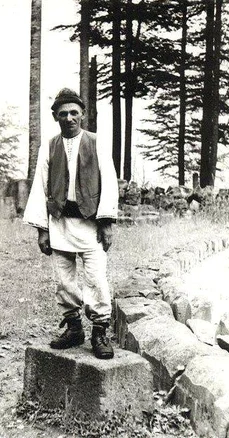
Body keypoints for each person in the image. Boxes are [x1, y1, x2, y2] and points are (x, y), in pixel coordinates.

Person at [23, 88, 119, 359]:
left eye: (74, 112)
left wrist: (106, 222)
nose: (69, 118)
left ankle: (99, 330)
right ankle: (74, 328)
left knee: (97, 278)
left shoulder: (96, 142)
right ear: (55, 117)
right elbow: (40, 188)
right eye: (63, 114)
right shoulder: (49, 146)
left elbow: (109, 182)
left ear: (82, 115)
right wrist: (42, 230)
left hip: (91, 222)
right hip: (59, 222)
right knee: (64, 280)